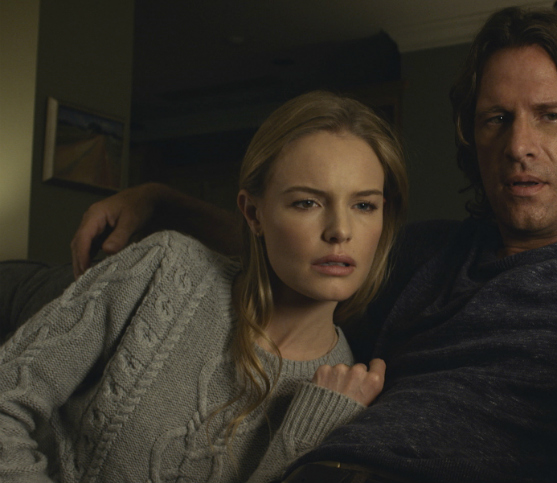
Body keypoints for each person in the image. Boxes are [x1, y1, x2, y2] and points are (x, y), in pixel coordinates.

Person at [64, 6, 557, 482]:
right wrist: (163, 201)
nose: (519, 145)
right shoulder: (427, 251)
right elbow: (297, 239)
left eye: (550, 116)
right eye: (494, 119)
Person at [0, 91, 409, 482]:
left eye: (364, 205)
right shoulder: (164, 268)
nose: (340, 230)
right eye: (307, 202)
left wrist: (309, 428)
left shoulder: (345, 396)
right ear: (254, 214)